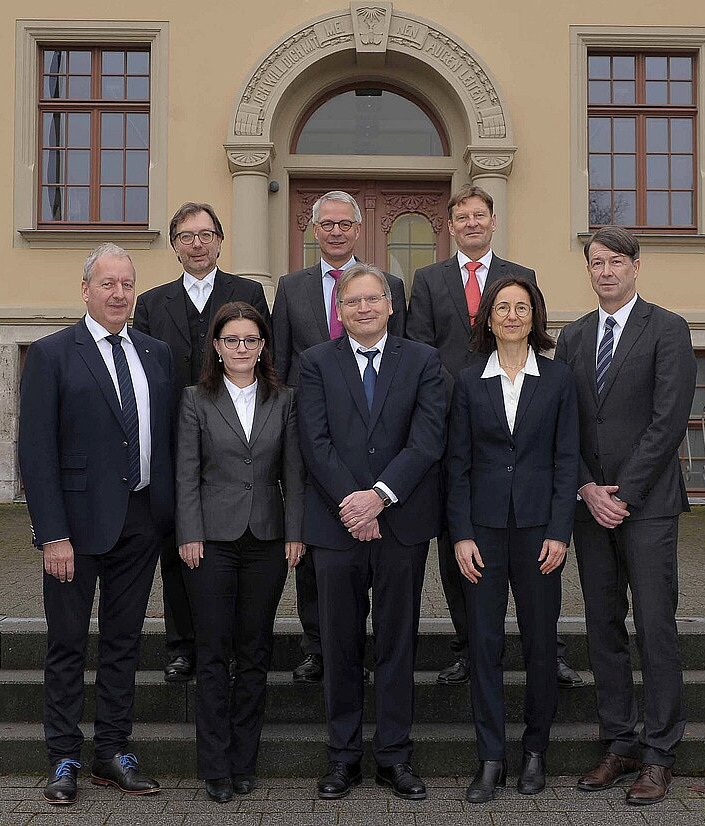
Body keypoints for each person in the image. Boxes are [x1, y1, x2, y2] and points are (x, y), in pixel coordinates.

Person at [19, 243, 179, 806]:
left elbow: (169, 437)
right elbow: (35, 452)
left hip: (141, 520)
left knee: (123, 641)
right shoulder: (51, 354)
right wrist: (52, 533)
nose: (118, 294)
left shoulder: (156, 353)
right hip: (75, 528)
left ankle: (113, 750)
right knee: (67, 643)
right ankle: (63, 756)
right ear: (85, 290)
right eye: (107, 284)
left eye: (127, 284)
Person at [408, 185, 582, 689]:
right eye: (460, 217)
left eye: (478, 215)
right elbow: (422, 348)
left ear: (492, 220)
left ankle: (549, 649)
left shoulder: (519, 278)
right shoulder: (428, 279)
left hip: (519, 414)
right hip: (452, 420)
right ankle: (468, 647)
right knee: (459, 541)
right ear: (451, 225)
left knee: (537, 553)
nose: (470, 224)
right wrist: (462, 395)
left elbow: (533, 331)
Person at [554, 225, 696, 806]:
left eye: (615, 261)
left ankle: (660, 753)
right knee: (602, 627)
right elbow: (566, 425)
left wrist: (624, 493)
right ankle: (618, 741)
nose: (605, 271)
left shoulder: (668, 329)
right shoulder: (573, 336)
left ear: (637, 266)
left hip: (648, 508)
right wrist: (588, 488)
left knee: (655, 626)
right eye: (596, 262)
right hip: (591, 510)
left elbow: (669, 420)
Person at [298, 263, 445, 801]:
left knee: (396, 642)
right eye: (351, 301)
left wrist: (378, 498)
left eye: (372, 299)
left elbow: (427, 441)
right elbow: (314, 443)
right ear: (340, 309)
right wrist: (352, 504)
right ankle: (341, 758)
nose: (362, 308)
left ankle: (394, 756)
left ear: (389, 305)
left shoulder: (424, 362)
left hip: (401, 525)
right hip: (335, 528)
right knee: (338, 645)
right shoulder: (314, 363)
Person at [446, 277, 578, 803]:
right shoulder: (467, 380)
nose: (512, 315)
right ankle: (491, 757)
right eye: (503, 307)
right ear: (488, 318)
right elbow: (456, 464)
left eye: (522, 307)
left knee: (541, 643)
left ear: (535, 317)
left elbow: (567, 461)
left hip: (539, 533)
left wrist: (559, 532)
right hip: (482, 533)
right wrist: (460, 534)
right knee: (484, 643)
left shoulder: (558, 379)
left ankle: (535, 752)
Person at [272, 190, 406, 684]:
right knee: (316, 552)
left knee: (377, 561)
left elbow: (400, 364)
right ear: (313, 229)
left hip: (377, 445)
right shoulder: (291, 287)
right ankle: (317, 646)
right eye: (325, 224)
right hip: (315, 438)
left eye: (344, 224)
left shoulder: (387, 284)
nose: (334, 231)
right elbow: (282, 363)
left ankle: (370, 649)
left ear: (357, 228)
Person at [133, 202, 270, 684]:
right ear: (174, 245)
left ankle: (228, 646)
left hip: (238, 440)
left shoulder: (247, 292)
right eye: (187, 236)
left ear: (219, 241)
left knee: (236, 549)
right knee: (179, 545)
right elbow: (144, 379)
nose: (197, 243)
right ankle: (182, 645)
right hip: (175, 442)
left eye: (206, 234)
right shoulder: (151, 303)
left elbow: (261, 356)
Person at [175, 301, 304, 803]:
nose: (242, 348)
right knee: (213, 653)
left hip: (268, 541)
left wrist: (295, 532)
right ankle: (214, 765)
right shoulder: (195, 399)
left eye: (251, 340)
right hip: (209, 541)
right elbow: (186, 473)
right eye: (232, 340)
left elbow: (294, 473)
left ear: (263, 345)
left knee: (254, 652)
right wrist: (189, 532)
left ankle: (244, 760)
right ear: (216, 346)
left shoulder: (284, 398)